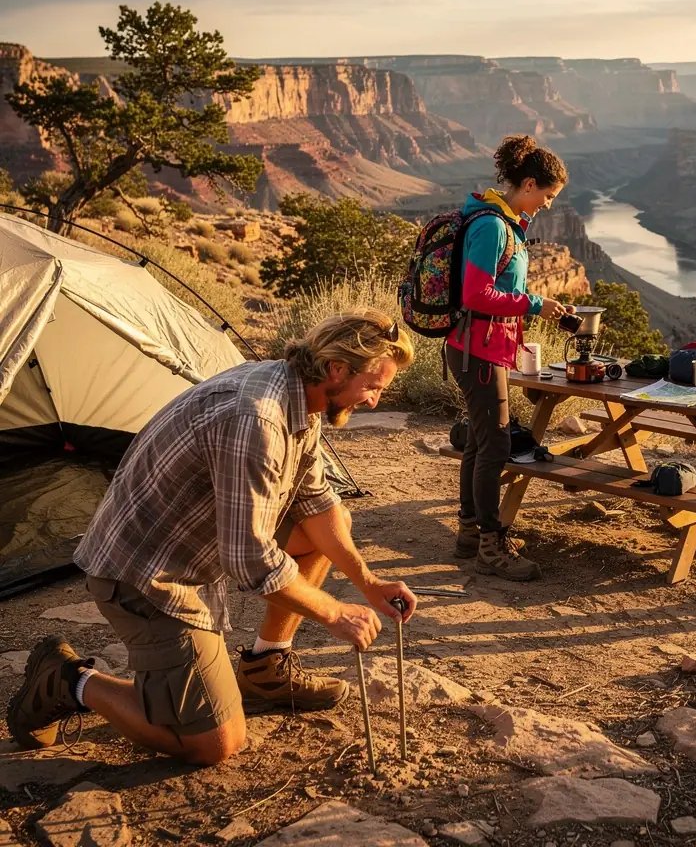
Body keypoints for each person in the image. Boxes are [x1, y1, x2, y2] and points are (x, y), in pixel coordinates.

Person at [7, 311, 418, 766]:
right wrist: (334, 612)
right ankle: (68, 680)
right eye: (374, 385)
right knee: (215, 743)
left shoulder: (303, 398)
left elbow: (317, 502)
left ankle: (267, 667)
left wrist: (367, 582)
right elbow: (252, 560)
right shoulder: (257, 417)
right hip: (144, 575)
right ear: (338, 369)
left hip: (190, 549)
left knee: (333, 517)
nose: (376, 399)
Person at [446, 135, 571, 581]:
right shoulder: (493, 226)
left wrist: (533, 305)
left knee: (480, 442)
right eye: (548, 196)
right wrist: (534, 304)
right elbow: (476, 294)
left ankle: (468, 534)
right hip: (476, 349)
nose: (549, 206)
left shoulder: (505, 221)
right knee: (495, 444)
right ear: (529, 183)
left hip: (487, 347)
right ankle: (490, 547)